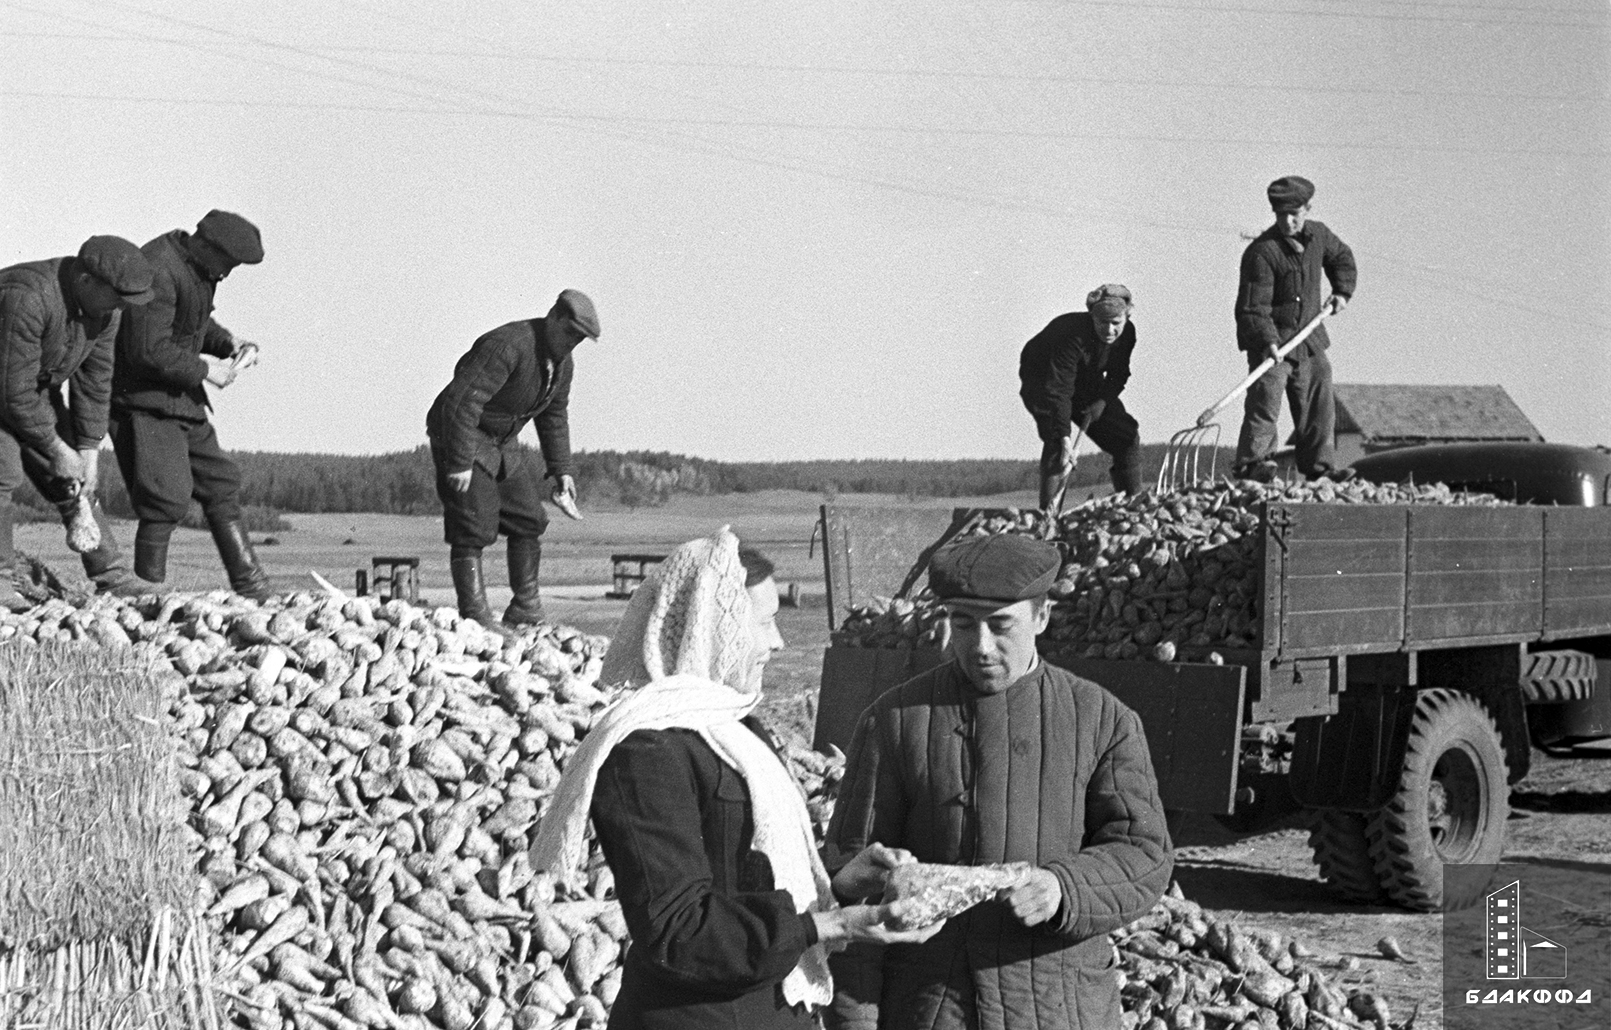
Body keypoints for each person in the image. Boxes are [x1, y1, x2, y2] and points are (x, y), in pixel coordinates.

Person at [530, 529, 943, 1029]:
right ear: (714, 627)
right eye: (765, 622)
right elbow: (678, 932)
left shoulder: (735, 729)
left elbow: (749, 877)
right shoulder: (646, 750)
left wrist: (841, 883)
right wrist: (827, 924)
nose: (778, 641)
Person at [826, 533, 1173, 1030]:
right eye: (963, 624)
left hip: (1058, 1004)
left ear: (1042, 617)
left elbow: (1145, 852)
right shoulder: (895, 720)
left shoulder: (1102, 719)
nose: (981, 646)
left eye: (1000, 625)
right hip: (931, 1008)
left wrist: (1063, 888)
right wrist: (854, 1021)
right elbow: (851, 877)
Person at [110, 209, 272, 599]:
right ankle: (146, 595)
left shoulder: (198, 270)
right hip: (144, 403)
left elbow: (195, 326)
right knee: (165, 497)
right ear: (206, 245)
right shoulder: (157, 268)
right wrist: (205, 372)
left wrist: (229, 344)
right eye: (228, 263)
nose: (228, 273)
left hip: (181, 401)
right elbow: (146, 349)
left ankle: (253, 589)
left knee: (221, 484)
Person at [425, 289, 599, 633]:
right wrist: (459, 461)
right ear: (553, 318)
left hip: (501, 443)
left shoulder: (561, 365)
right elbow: (462, 402)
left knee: (529, 519)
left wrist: (561, 470)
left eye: (579, 339)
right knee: (473, 523)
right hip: (462, 434)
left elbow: (553, 416)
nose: (572, 343)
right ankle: (474, 614)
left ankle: (525, 608)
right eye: (569, 333)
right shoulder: (507, 346)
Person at [0, 236, 157, 609]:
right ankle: (0, 581)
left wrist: (87, 449)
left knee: (75, 477)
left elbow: (95, 380)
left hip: (26, 386)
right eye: (117, 296)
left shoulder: (106, 310)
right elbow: (11, 392)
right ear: (86, 281)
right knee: (1, 471)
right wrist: (55, 448)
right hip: (6, 385)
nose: (122, 306)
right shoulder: (28, 297)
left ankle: (112, 576)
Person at [1233, 175, 1358, 482]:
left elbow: (1342, 259)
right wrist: (1267, 341)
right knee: (1266, 398)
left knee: (1319, 394)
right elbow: (1253, 307)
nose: (1288, 221)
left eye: (1295, 214)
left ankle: (1319, 468)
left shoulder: (1320, 236)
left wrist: (1342, 292)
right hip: (1273, 344)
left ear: (1308, 209)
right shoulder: (1262, 253)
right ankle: (1254, 463)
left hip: (1309, 339)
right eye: (1281, 216)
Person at [1018, 283, 1144, 503]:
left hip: (1086, 379)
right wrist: (1065, 438)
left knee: (1126, 435)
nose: (1109, 330)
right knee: (1058, 444)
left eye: (1116, 323)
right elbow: (1059, 390)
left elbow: (1118, 374)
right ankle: (1049, 516)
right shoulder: (1071, 336)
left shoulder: (1128, 334)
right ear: (1092, 318)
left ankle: (1134, 505)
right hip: (1043, 379)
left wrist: (1102, 402)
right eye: (1102, 323)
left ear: (1127, 318)